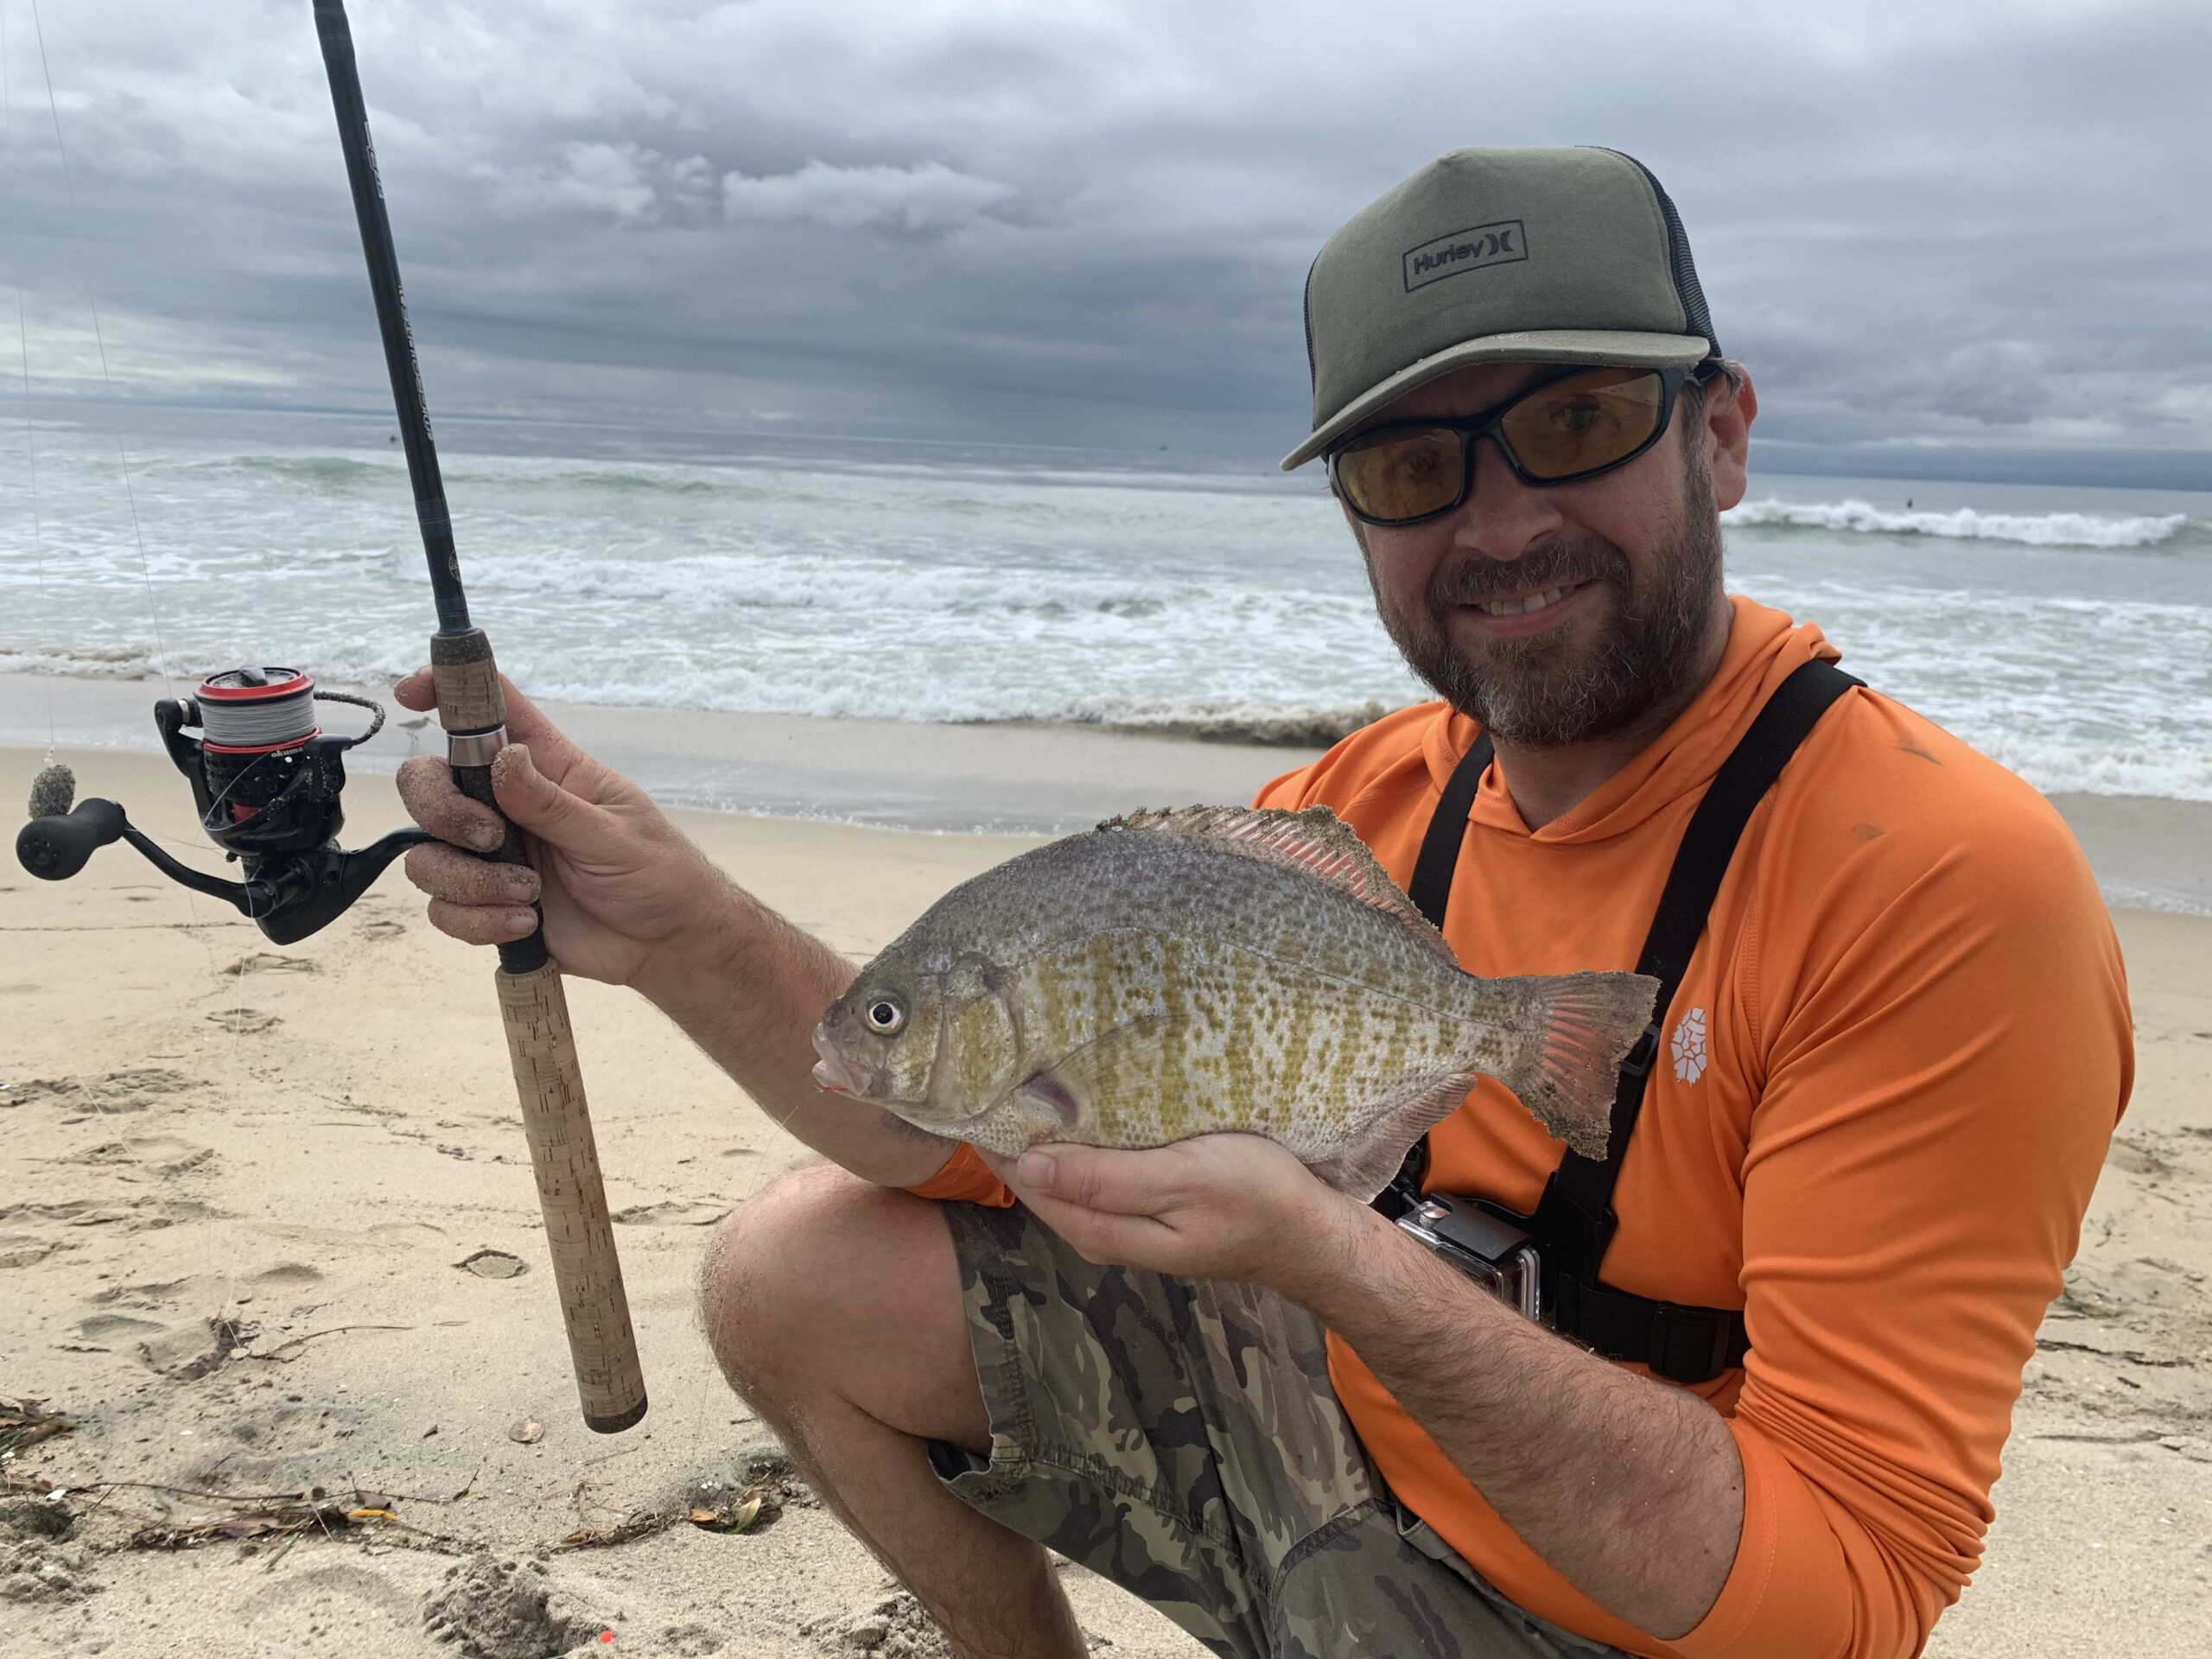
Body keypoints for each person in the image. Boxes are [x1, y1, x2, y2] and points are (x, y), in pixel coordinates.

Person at [393, 147, 2132, 1659]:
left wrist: (1338, 1264)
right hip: (1337, 1430)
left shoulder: (1935, 886)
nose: (1498, 518)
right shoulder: (1368, 800)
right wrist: (678, 930)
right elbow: (982, 1128)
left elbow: (1844, 1595)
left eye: (1575, 420)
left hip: (1648, 1606)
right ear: (1355, 515)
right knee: (791, 1276)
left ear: (1723, 434)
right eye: (1406, 466)